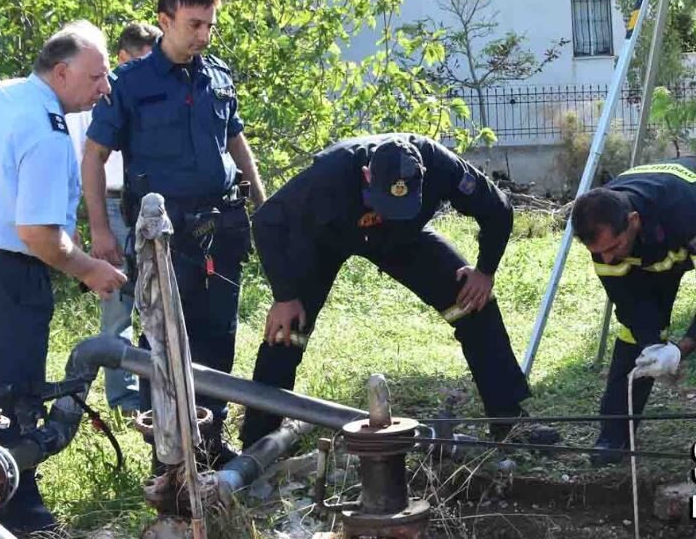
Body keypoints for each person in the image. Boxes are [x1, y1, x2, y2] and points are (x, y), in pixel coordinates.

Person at [239, 133, 559, 448]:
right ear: (367, 176)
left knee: (474, 302)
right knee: (287, 329)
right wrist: (285, 296)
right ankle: (258, 439)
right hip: (327, 239)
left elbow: (497, 208)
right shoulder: (330, 173)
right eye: (384, 203)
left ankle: (509, 421)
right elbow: (267, 221)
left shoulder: (441, 164)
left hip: (403, 238)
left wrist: (485, 271)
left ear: (423, 177)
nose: (385, 211)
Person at [0, 20, 126, 534]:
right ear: (61, 73)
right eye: (96, 77)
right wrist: (90, 270)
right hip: (3, 273)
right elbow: (38, 234)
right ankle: (18, 515)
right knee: (9, 393)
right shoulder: (47, 132)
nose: (105, 88)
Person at [83, 0, 266, 465]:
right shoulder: (129, 83)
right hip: (163, 233)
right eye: (194, 25)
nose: (204, 35)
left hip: (220, 226)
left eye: (210, 25)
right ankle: (166, 454)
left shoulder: (218, 75)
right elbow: (93, 156)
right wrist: (100, 230)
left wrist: (262, 205)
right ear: (165, 22)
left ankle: (210, 442)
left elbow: (236, 142)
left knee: (218, 334)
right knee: (162, 340)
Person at [571, 158, 696, 466]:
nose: (606, 259)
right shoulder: (603, 234)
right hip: (657, 241)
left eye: (613, 247)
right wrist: (653, 345)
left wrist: (683, 347)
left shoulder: (686, 213)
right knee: (634, 332)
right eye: (598, 253)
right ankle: (615, 435)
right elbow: (631, 304)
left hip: (682, 214)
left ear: (633, 220)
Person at [67, 22, 161, 415]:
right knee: (118, 302)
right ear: (122, 58)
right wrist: (91, 228)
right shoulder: (89, 101)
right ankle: (123, 398)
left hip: (150, 203)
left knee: (157, 298)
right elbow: (80, 162)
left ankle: (157, 390)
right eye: (139, 60)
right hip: (109, 203)